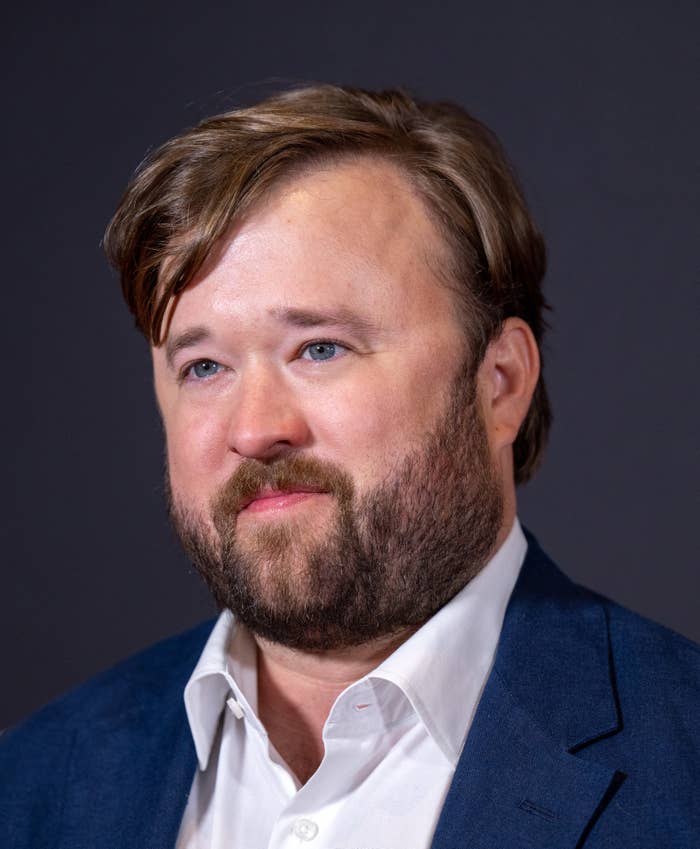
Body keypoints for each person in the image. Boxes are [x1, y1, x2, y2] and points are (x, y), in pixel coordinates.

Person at [1, 84, 697, 849]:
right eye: (204, 366)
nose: (256, 429)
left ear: (500, 381)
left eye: (321, 348)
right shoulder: (32, 784)